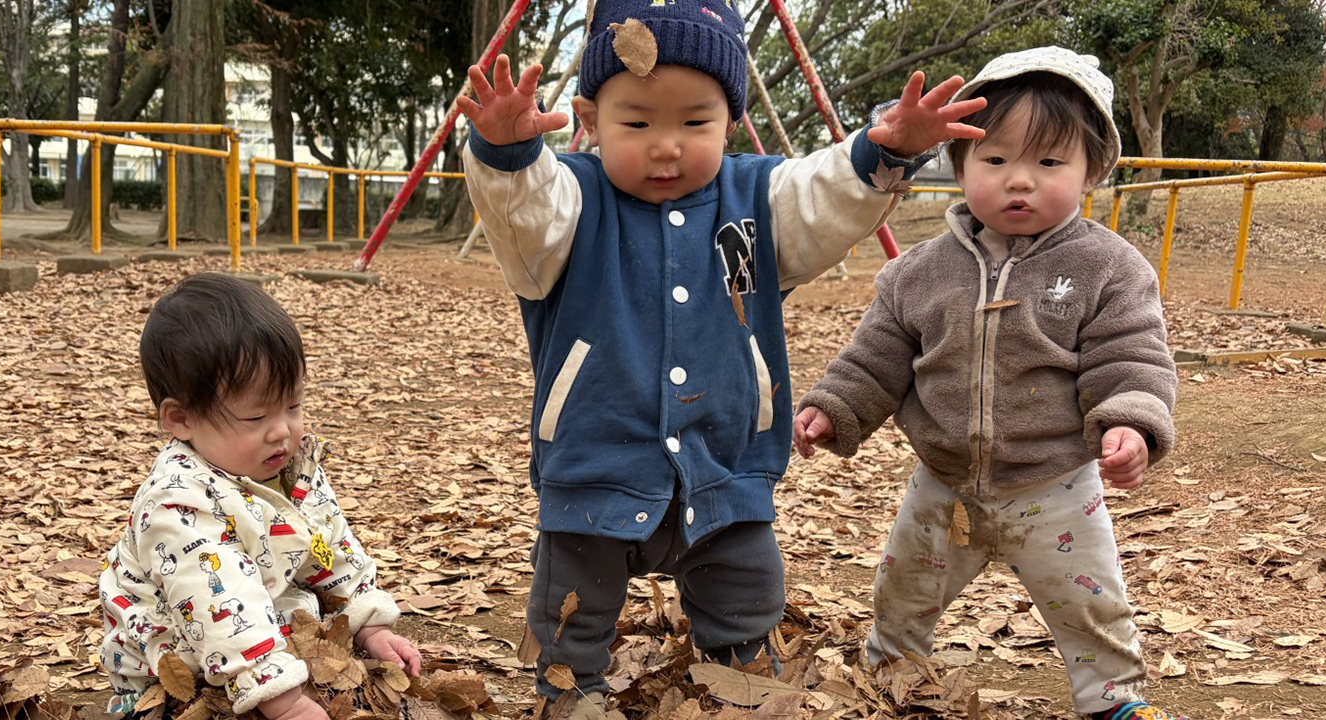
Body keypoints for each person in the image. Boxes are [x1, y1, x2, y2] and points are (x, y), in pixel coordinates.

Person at [455, 1, 985, 716]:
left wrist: (884, 152)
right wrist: (507, 157)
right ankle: (568, 690)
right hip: (597, 458)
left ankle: (743, 683)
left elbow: (824, 196)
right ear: (588, 116)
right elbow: (525, 211)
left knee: (745, 596)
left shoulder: (756, 198)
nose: (666, 145)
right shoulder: (572, 202)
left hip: (726, 458)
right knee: (571, 612)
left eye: (694, 122)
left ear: (730, 120)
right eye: (636, 123)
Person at [792, 47, 1183, 720]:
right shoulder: (919, 271)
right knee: (905, 591)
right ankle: (892, 676)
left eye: (1049, 163)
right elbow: (876, 357)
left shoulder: (1108, 268)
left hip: (1054, 484)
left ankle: (1114, 701)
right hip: (943, 484)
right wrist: (834, 407)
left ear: (1093, 171)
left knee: (1091, 602)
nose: (1019, 182)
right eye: (996, 161)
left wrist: (1129, 421)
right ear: (961, 164)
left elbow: (1130, 354)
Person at [97, 272, 420, 720]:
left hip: (261, 626)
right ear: (182, 419)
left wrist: (366, 622)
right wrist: (283, 702)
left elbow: (330, 544)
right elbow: (218, 604)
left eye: (293, 405)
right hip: (176, 657)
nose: (283, 430)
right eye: (256, 415)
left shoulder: (288, 469)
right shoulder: (176, 505)